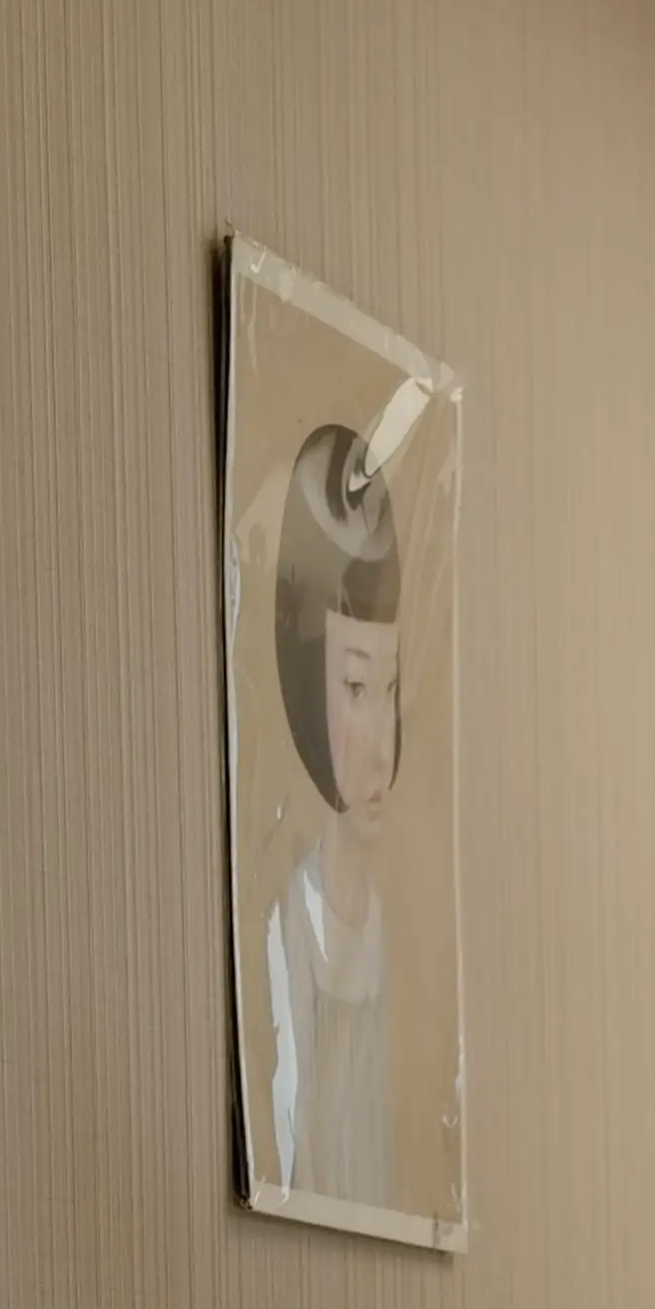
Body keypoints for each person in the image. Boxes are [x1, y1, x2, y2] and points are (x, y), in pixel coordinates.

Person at [252, 420, 407, 1206]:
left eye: (390, 688)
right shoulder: (287, 920)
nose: (380, 745)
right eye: (354, 687)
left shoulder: (387, 921)